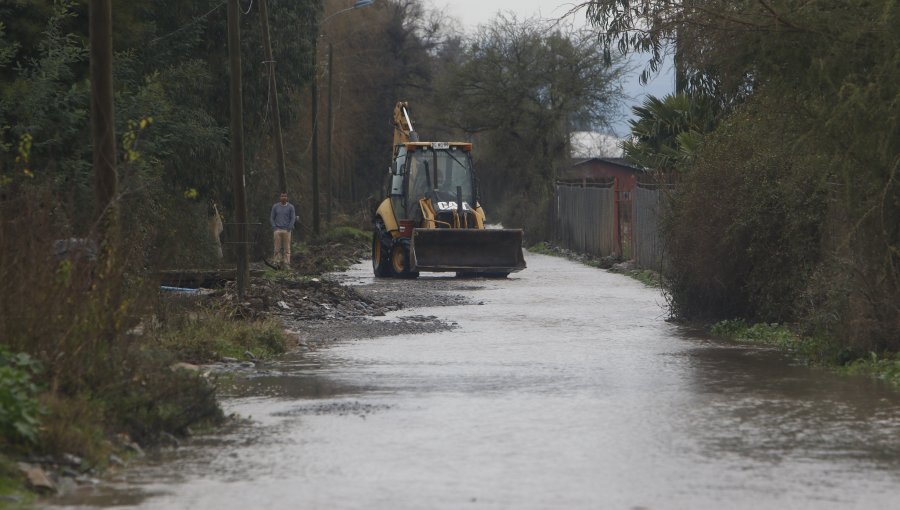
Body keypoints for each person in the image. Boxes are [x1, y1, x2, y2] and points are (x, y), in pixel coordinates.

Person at [270, 192, 296, 268]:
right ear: (280, 197)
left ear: (287, 197)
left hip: (287, 230)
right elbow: (272, 217)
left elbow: (293, 218)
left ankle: (286, 263)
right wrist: (274, 227)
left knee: (287, 248)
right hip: (277, 230)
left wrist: (289, 227)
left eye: (285, 196)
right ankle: (276, 262)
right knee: (276, 247)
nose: (283, 197)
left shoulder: (291, 207)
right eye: (282, 196)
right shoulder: (275, 206)